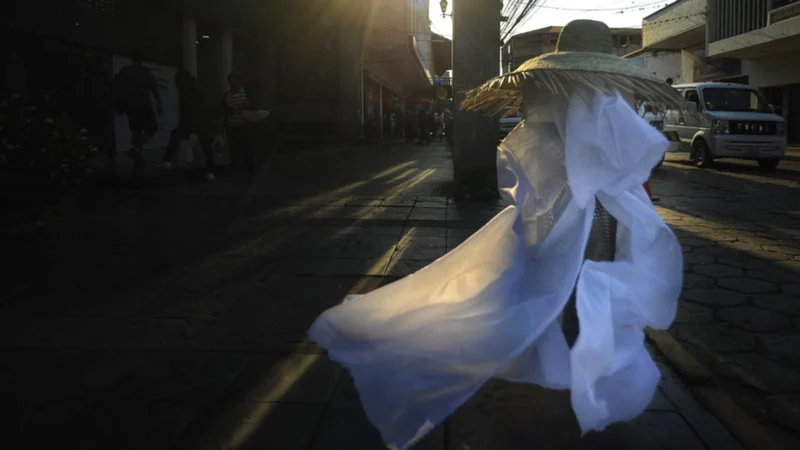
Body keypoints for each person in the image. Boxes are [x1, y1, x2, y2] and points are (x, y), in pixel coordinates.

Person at [306, 20, 684, 450]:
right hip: (580, 204)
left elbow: (543, 150)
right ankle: (577, 380)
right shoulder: (598, 97)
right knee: (581, 289)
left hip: (569, 202)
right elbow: (603, 155)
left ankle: (574, 375)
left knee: (571, 288)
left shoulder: (553, 92)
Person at [161, 70, 216, 181]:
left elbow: (198, 109)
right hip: (197, 122)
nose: (176, 84)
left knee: (204, 145)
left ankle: (167, 161)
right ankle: (210, 171)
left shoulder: (189, 91)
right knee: (205, 146)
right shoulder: (190, 89)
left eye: (177, 81)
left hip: (198, 122)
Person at [114, 49, 162, 171]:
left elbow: (119, 89)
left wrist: (119, 105)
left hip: (130, 105)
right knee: (151, 129)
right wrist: (160, 103)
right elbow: (154, 88)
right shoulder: (146, 71)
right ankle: (135, 150)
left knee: (136, 131)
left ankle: (138, 158)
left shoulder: (125, 71)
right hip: (143, 105)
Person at [82, 56, 115, 169]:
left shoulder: (90, 78)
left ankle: (101, 159)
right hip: (100, 112)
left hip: (97, 112)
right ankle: (103, 160)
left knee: (100, 136)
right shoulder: (99, 79)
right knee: (103, 136)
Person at [223, 71, 256, 175]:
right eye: (230, 82)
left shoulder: (247, 92)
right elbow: (221, 109)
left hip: (245, 125)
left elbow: (256, 104)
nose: (232, 84)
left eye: (234, 81)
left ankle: (250, 168)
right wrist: (227, 111)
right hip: (232, 126)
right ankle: (235, 169)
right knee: (234, 149)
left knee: (247, 147)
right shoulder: (227, 95)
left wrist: (248, 105)